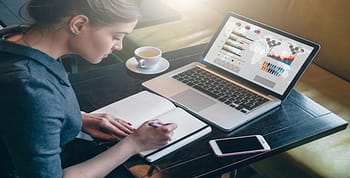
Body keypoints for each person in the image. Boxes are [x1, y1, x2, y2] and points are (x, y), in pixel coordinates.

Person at [0, 0, 177, 177]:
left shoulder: (16, 37)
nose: (119, 46)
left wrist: (78, 118)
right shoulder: (32, 87)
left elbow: (14, 113)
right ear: (79, 24)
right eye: (116, 36)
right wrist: (135, 143)